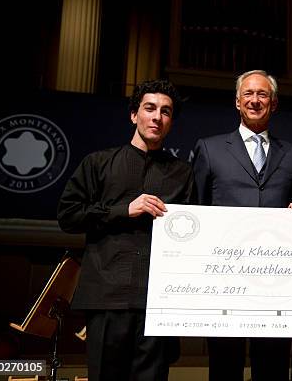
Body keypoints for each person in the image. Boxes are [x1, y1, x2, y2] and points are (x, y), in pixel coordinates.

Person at [57, 79, 195, 381]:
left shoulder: (183, 174)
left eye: (166, 112)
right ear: (134, 115)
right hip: (108, 297)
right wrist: (124, 210)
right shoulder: (98, 163)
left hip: (159, 302)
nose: (157, 117)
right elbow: (68, 216)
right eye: (150, 108)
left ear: (171, 122)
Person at [192, 69, 292, 381]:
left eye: (263, 94)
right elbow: (198, 209)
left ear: (274, 103)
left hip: (275, 284)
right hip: (224, 281)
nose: (255, 100)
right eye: (248, 94)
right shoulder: (209, 148)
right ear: (238, 102)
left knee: (272, 367)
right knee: (225, 367)